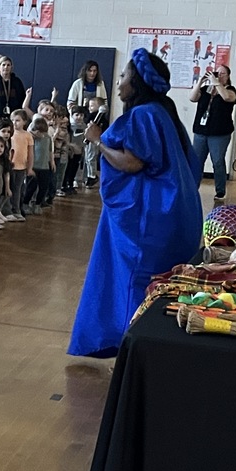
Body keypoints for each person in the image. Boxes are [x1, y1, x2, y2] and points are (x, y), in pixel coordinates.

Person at [68, 49, 203, 358]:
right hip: (179, 213)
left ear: (138, 81)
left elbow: (132, 163)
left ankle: (134, 354)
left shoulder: (143, 114)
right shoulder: (164, 113)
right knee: (162, 285)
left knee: (136, 283)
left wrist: (97, 140)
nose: (119, 82)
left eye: (124, 76)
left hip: (152, 218)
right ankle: (156, 349)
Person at [189, 64, 236, 205]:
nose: (219, 75)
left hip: (219, 133)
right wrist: (200, 81)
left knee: (217, 161)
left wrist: (217, 84)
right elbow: (192, 98)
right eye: (217, 73)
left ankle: (220, 191)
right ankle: (192, 187)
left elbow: (227, 98)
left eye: (223, 74)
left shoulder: (230, 90)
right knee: (197, 161)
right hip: (201, 132)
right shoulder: (205, 90)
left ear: (228, 77)